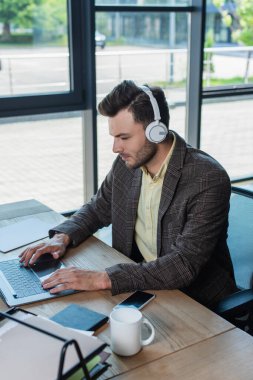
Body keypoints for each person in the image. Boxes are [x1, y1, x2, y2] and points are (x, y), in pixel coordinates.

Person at [19, 80, 237, 307]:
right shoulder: (127, 164)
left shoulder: (207, 179)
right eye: (114, 137)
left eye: (124, 138)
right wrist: (60, 238)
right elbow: (98, 208)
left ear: (156, 131)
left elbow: (182, 264)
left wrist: (102, 278)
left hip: (196, 300)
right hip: (144, 285)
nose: (116, 148)